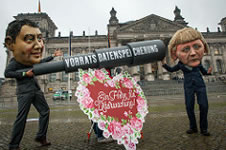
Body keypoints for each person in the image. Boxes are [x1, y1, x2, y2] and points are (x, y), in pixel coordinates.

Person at [4, 19, 62, 150]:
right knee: (22, 117)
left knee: (45, 111)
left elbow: (40, 61)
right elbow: (7, 73)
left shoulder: (29, 59)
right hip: (24, 92)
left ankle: (41, 136)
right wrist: (25, 74)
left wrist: (53, 56)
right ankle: (13, 145)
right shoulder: (15, 61)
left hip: (35, 89)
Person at [162, 27, 212, 136]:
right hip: (188, 86)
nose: (192, 53)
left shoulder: (197, 62)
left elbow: (203, 72)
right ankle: (193, 127)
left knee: (204, 106)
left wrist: (208, 72)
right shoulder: (181, 64)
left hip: (200, 85)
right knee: (189, 107)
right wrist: (164, 64)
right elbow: (171, 69)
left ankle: (204, 128)